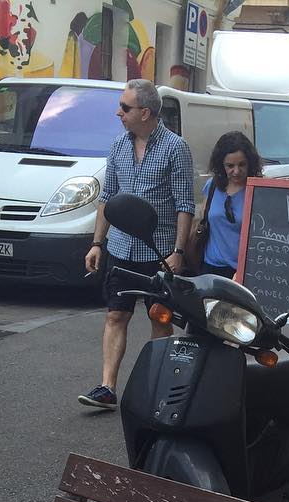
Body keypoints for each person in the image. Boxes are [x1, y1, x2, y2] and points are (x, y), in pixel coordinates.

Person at [78, 79, 195, 411]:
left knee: (160, 319)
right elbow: (107, 198)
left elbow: (184, 204)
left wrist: (178, 252)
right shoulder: (118, 145)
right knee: (116, 315)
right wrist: (97, 243)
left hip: (158, 254)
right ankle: (106, 388)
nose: (119, 113)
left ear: (145, 112)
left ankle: (160, 387)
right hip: (121, 248)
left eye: (125, 108)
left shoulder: (175, 148)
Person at [197, 130, 262, 278]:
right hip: (211, 267)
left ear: (250, 163)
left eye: (242, 164)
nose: (236, 171)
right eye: (230, 166)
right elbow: (204, 217)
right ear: (221, 165)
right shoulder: (212, 186)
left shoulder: (259, 190)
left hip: (246, 270)